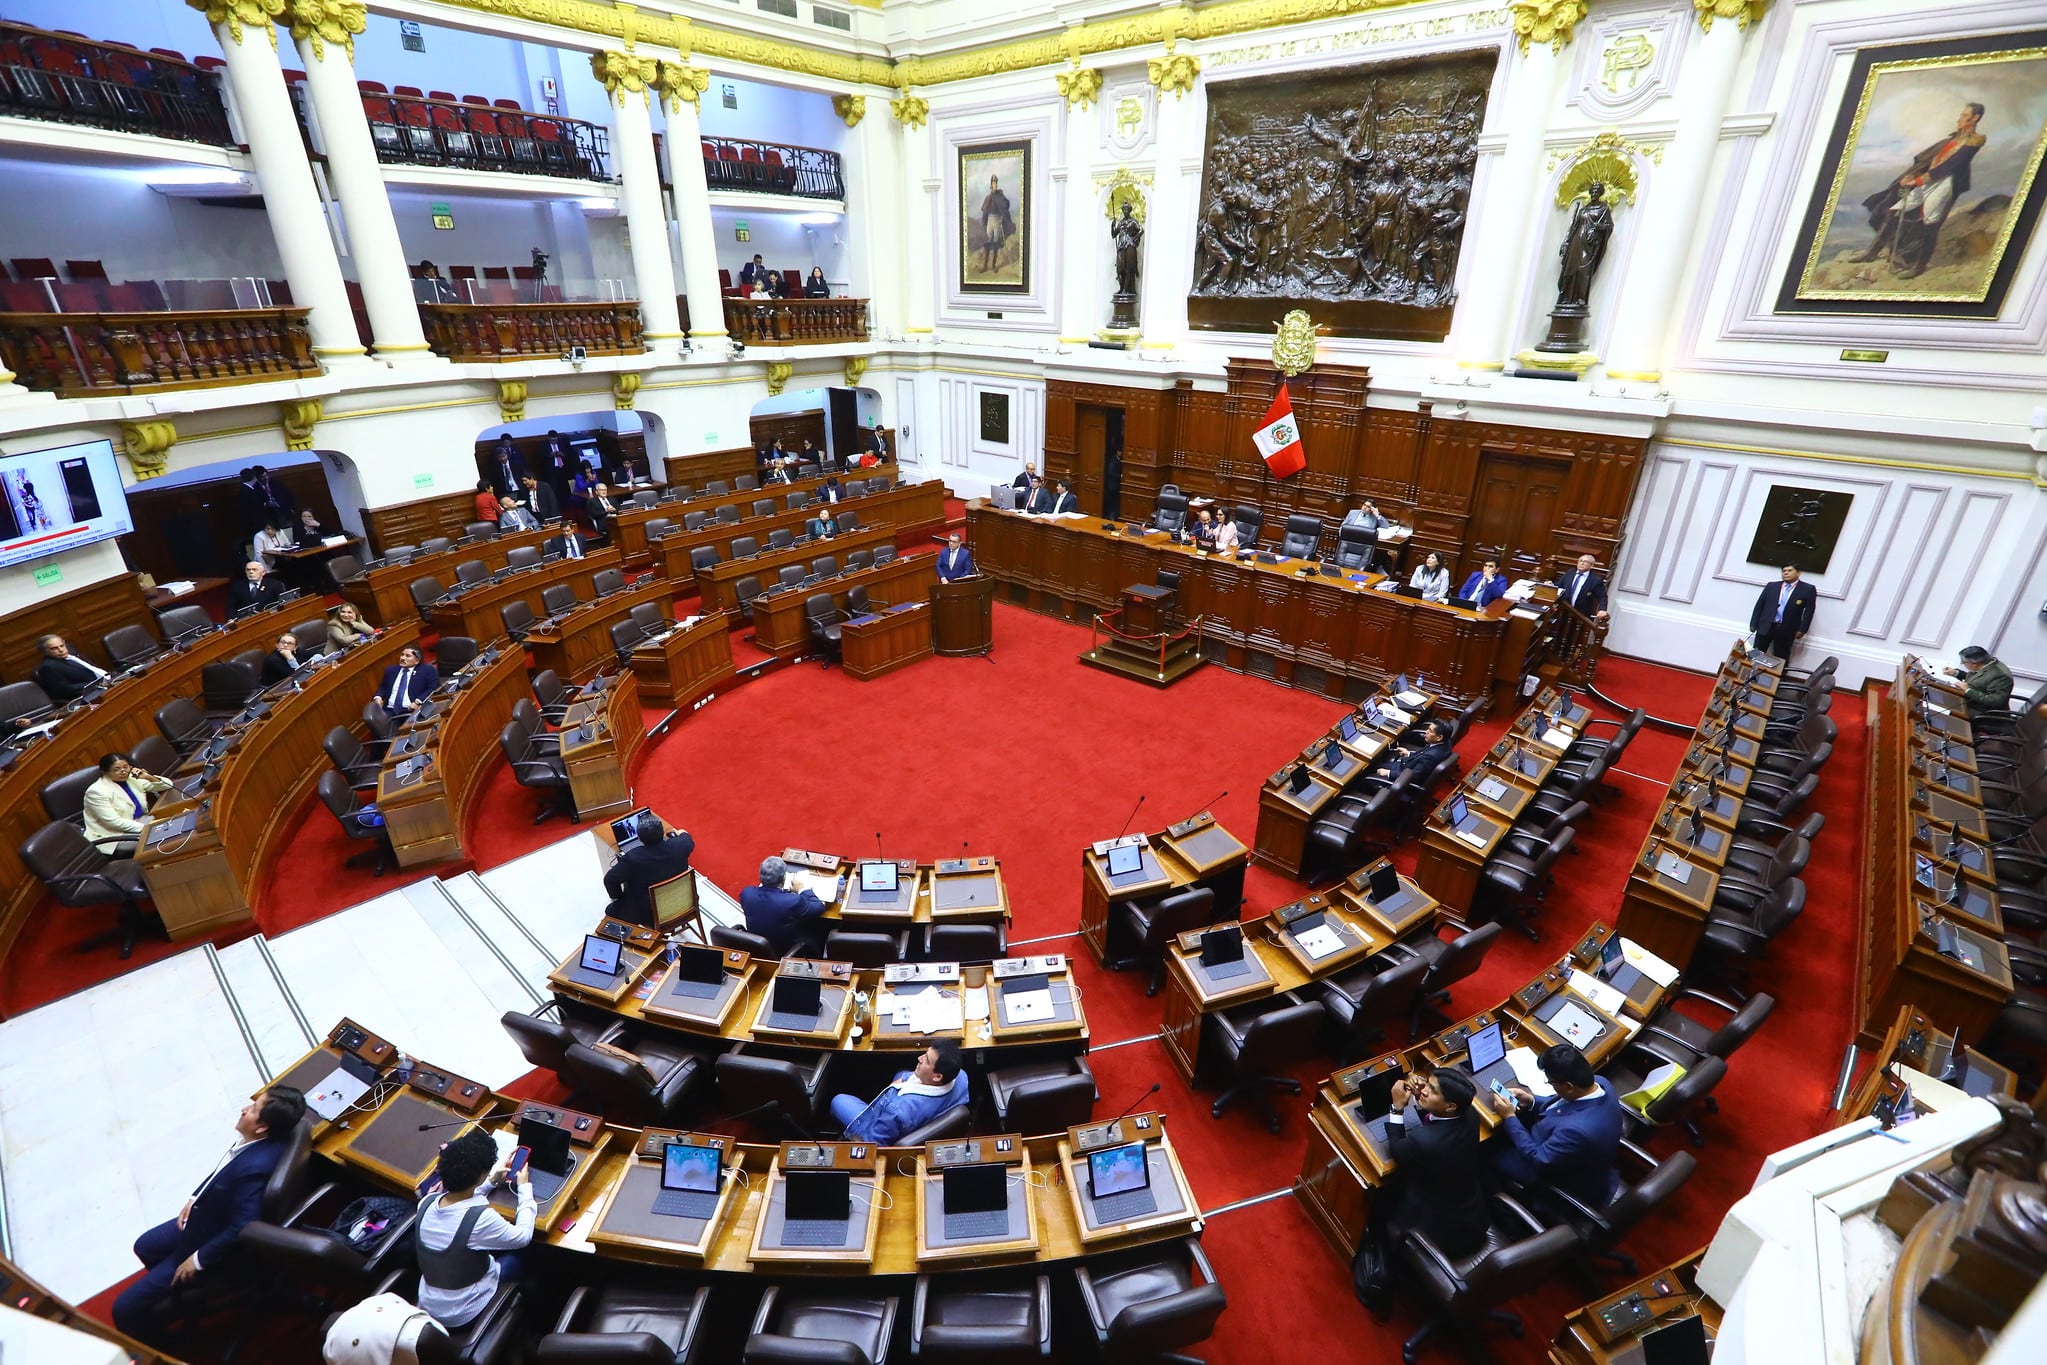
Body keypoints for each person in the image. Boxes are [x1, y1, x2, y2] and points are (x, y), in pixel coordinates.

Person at [112, 1086, 309, 1348]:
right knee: (145, 1246)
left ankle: (165, 1348)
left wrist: (198, 1259)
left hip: (206, 1241)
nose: (244, 1109)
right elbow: (223, 1170)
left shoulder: (253, 1168)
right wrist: (195, 1196)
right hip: (206, 1213)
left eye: (252, 1109)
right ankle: (177, 1294)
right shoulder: (258, 1141)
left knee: (124, 1309)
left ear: (262, 1127)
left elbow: (243, 1224)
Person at [413, 1129, 534, 1330]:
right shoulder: (481, 1219)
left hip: (429, 1304)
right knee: (523, 1256)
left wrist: (490, 1182)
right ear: (480, 1174)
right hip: (464, 1314)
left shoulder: (426, 1202)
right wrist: (524, 1188)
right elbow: (523, 1237)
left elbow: (461, 1197)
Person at [1488, 1042, 1624, 1217]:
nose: (1551, 1085)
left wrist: (1509, 1117)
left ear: (1568, 1086)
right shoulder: (1599, 1083)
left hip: (1551, 1175)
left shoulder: (1577, 1131)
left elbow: (1537, 1158)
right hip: (1562, 1149)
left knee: (1485, 1150)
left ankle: (1498, 1210)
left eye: (1551, 1082)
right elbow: (1562, 1105)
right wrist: (1531, 1100)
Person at [1852, 103, 1986, 279]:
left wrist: (1917, 181)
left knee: (1931, 222)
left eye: (1964, 115)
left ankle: (1919, 267)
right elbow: (1929, 162)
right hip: (1927, 181)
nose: (1959, 119)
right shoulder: (1951, 140)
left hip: (1945, 184)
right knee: (1894, 211)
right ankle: (1872, 252)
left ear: (1975, 118)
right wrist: (1913, 175)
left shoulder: (1975, 140)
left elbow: (1949, 166)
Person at [1381, 1065, 1489, 1257]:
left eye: (1432, 1090)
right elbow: (1438, 1117)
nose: (1424, 1090)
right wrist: (1421, 1097)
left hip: (1441, 1227)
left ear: (1450, 1106)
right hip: (1470, 1209)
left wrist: (1396, 1108)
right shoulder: (1470, 1114)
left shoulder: (1424, 1140)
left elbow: (1397, 1150)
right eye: (1427, 1084)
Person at [829, 1042, 969, 1145]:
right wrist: (903, 1080)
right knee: (901, 1074)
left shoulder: (896, 1112)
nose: (920, 1058)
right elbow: (905, 1076)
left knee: (839, 1101)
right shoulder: (961, 1076)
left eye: (926, 1060)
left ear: (937, 1077)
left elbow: (875, 1145)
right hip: (930, 1109)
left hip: (878, 1126)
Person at [602, 812, 696, 927]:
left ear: (640, 838)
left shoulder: (633, 858)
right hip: (685, 902)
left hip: (650, 916)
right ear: (662, 832)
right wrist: (679, 832)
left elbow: (610, 880)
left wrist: (620, 897)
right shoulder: (680, 845)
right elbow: (685, 835)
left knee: (611, 910)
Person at [84, 751, 172, 855]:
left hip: (138, 821)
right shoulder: (96, 792)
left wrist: (148, 777)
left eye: (125, 767)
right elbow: (115, 822)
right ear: (105, 772)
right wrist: (149, 828)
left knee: (172, 823)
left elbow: (168, 785)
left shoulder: (131, 778)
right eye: (117, 769)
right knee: (160, 838)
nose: (123, 772)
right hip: (115, 835)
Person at [740, 855, 828, 957]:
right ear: (783, 879)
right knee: (821, 927)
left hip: (757, 946)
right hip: (784, 949)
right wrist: (802, 889)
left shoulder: (746, 893)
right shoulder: (792, 901)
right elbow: (819, 907)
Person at [1749, 564, 1815, 663]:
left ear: (1798, 573)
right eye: (1784, 571)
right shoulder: (1772, 586)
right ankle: (1751, 670)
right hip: (1766, 626)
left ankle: (1779, 673)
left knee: (1781, 657)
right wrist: (1753, 623)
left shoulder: (1807, 589)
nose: (1786, 573)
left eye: (1789, 570)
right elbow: (1759, 605)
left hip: (1787, 629)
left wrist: (1802, 630)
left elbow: (1809, 612)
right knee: (1756, 653)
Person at [32, 633, 111, 700]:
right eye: (54, 648)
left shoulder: (72, 653)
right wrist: (97, 684)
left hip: (107, 681)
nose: (61, 650)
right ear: (44, 651)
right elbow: (65, 690)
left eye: (62, 645)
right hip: (92, 694)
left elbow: (92, 667)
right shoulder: (47, 667)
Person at [1369, 719, 1450, 782]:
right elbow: (1423, 756)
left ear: (1439, 737)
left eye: (1430, 731)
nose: (1426, 732)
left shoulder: (1431, 756)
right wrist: (1408, 753)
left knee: (1370, 769)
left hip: (1403, 774)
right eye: (1428, 729)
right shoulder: (1444, 744)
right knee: (1377, 764)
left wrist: (1389, 773)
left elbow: (1415, 777)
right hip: (1407, 765)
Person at [1947, 645, 2013, 718]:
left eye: (1963, 662)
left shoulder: (2000, 675)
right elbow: (1979, 680)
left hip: (1985, 713)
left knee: (1948, 709)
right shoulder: (1986, 664)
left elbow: (1995, 701)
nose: (1962, 664)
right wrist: (1956, 673)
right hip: (1972, 703)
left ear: (1974, 663)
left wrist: (1968, 690)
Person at [377, 645, 439, 720]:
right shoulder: (391, 670)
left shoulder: (426, 670)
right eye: (402, 655)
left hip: (412, 709)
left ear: (417, 660)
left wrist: (417, 702)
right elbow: (384, 687)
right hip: (389, 710)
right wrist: (378, 697)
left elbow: (432, 688)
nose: (403, 658)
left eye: (408, 656)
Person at [978, 174, 1014, 274]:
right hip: (990, 220)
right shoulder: (988, 197)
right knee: (989, 241)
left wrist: (1002, 214)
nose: (995, 185)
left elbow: (1006, 204)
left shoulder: (1000, 195)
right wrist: (984, 221)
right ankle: (985, 266)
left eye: (996, 183)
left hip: (997, 220)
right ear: (991, 185)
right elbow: (984, 209)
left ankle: (993, 266)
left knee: (995, 242)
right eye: (993, 183)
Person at [1556, 553, 1608, 620]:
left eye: (1585, 562)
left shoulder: (1595, 580)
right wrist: (1550, 585)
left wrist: (1602, 609)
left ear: (1591, 565)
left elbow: (1602, 596)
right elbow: (1559, 585)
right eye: (1580, 561)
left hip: (1581, 615)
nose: (1582, 563)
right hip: (1563, 611)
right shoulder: (1570, 573)